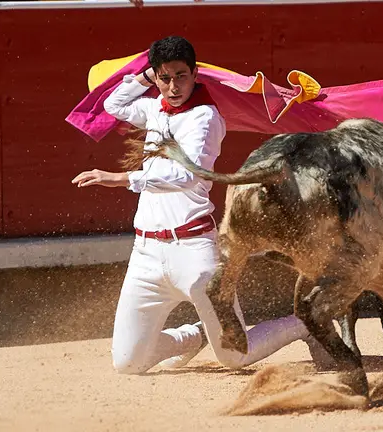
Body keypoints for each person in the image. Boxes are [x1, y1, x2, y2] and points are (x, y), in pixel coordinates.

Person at [71, 36, 324, 373]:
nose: (173, 86)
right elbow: (113, 105)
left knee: (235, 356)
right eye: (165, 78)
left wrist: (123, 179)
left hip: (195, 253)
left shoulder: (204, 118)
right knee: (127, 362)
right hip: (145, 254)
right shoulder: (153, 109)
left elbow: (188, 174)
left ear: (194, 74)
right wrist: (145, 77)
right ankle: (195, 336)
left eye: (181, 76)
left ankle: (306, 322)